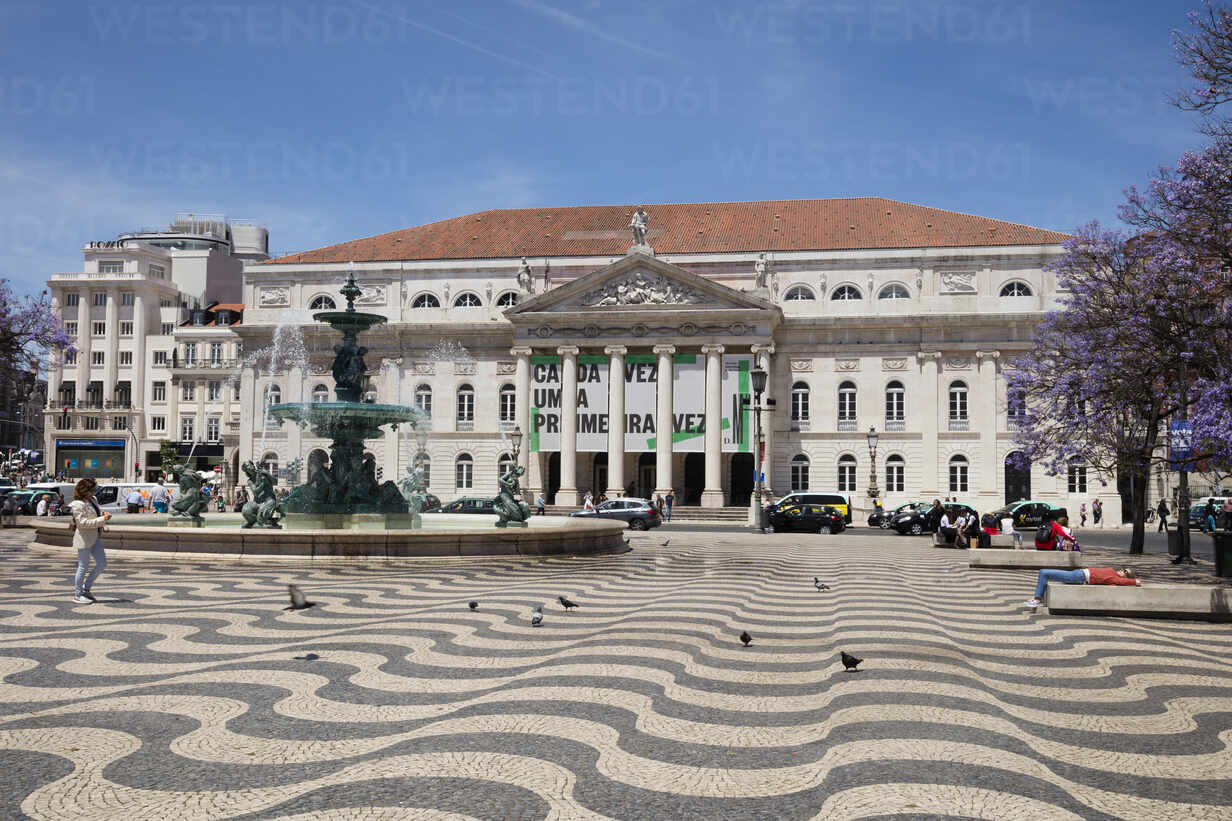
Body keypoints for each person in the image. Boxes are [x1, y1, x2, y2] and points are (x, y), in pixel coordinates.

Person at [69, 477, 112, 605]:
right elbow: (82, 524)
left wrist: (102, 514)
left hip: (95, 536)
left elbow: (95, 513)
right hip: (84, 538)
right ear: (85, 490)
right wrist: (102, 520)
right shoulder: (77, 504)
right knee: (83, 566)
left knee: (102, 563)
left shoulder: (93, 500)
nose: (94, 491)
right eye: (92, 489)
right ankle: (77, 594)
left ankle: (86, 588)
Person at [1023, 567, 1140, 609]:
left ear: (1126, 577)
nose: (1122, 570)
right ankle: (1038, 598)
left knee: (1044, 572)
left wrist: (1134, 581)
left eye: (1125, 571)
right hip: (1078, 573)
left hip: (1079, 576)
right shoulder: (1113, 575)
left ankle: (1037, 600)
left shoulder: (1115, 579)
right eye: (1124, 568)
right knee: (1045, 573)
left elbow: (1122, 582)